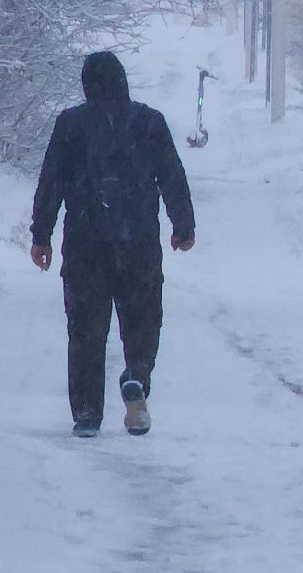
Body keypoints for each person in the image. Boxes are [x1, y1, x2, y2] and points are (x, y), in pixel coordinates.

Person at [31, 52, 195, 438]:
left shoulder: (71, 125)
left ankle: (88, 413)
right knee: (142, 321)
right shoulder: (149, 123)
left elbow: (50, 181)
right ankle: (136, 374)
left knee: (86, 328)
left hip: (86, 243)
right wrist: (182, 226)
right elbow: (172, 176)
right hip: (137, 241)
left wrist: (42, 235)